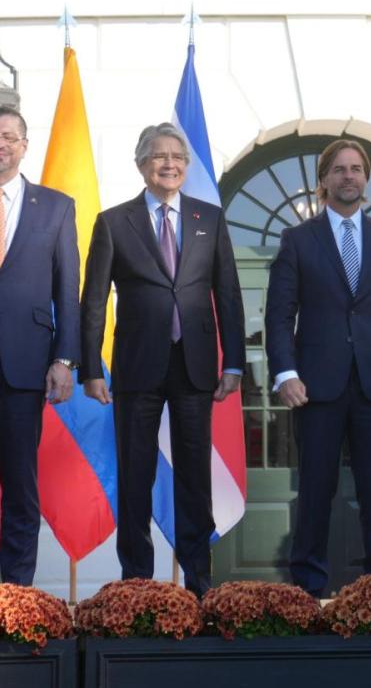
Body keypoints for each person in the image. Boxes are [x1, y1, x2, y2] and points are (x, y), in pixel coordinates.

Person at [81, 123, 244, 596]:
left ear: (187, 167)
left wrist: (233, 361)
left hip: (194, 366)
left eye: (177, 156)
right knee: (135, 475)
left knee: (195, 477)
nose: (169, 163)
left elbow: (228, 293)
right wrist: (91, 367)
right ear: (141, 165)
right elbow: (93, 301)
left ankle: (199, 584)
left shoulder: (208, 218)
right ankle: (137, 585)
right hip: (136, 368)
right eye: (158, 156)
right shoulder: (114, 221)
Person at [265, 138, 371, 597]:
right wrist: (285, 373)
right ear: (323, 182)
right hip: (316, 386)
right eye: (339, 169)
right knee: (316, 491)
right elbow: (279, 314)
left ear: (367, 180)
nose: (348, 176)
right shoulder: (297, 239)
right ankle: (308, 590)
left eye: (356, 169)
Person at [0, 105, 78, 585]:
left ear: (24, 145)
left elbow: (68, 289)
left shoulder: (57, 207)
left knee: (22, 488)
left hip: (26, 366)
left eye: (7, 136)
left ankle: (19, 595)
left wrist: (65, 358)